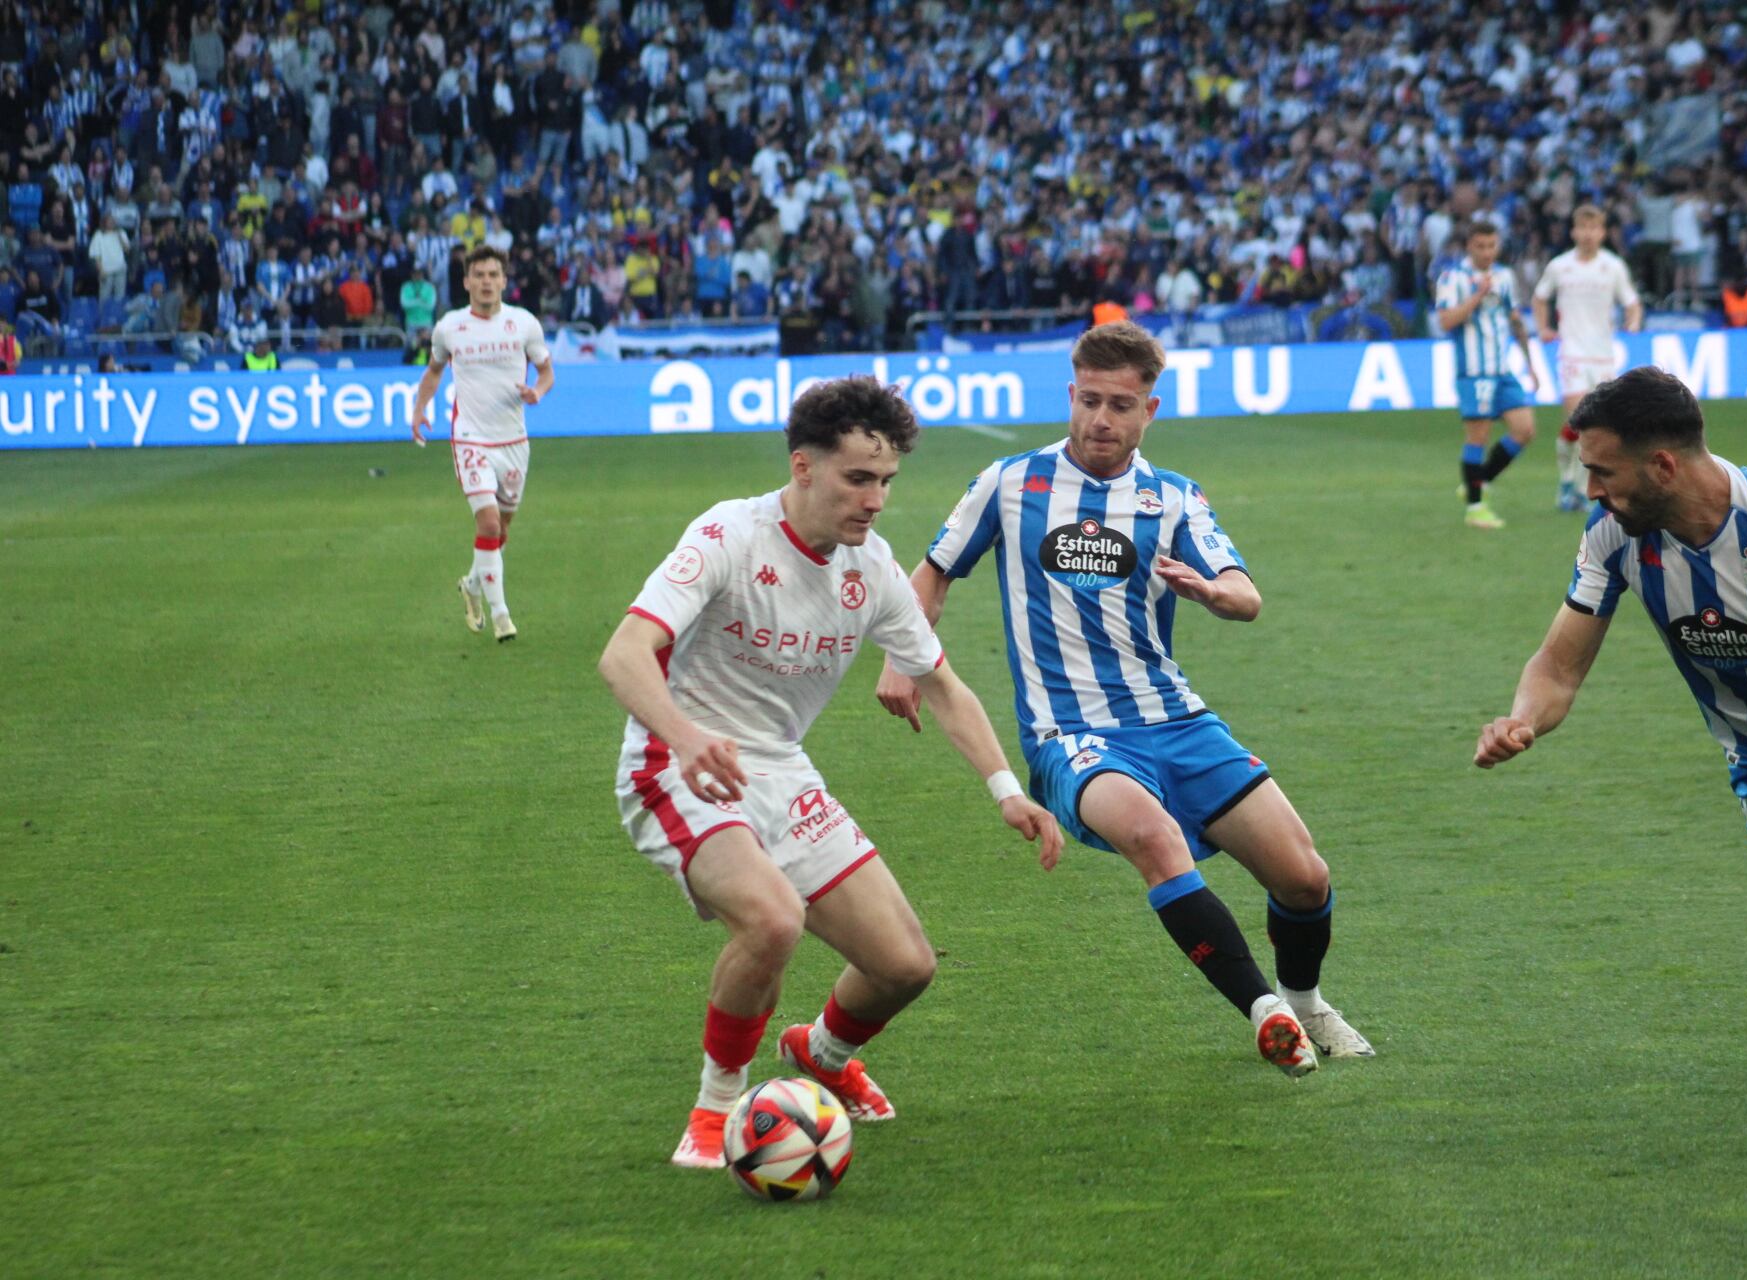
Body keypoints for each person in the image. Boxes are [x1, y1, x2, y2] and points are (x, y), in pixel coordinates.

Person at [875, 322, 1372, 1078]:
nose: (1101, 419)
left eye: (1121, 405)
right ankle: (1261, 1009)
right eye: (1089, 400)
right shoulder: (1010, 483)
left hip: (1174, 717)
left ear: (1150, 411)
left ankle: (1304, 1000)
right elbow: (933, 574)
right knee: (1151, 836)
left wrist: (1212, 592)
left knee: (1305, 877)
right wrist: (901, 659)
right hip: (1069, 733)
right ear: (1070, 396)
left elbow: (1247, 597)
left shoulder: (1172, 498)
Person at [599, 376, 1062, 1169]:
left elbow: (943, 686)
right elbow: (623, 655)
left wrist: (1008, 792)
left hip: (780, 771)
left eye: (886, 481)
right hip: (676, 765)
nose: (876, 500)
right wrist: (681, 737)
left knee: (905, 965)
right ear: (804, 467)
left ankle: (820, 1051)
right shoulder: (728, 536)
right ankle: (717, 1108)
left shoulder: (872, 570)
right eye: (858, 478)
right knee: (773, 919)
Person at [1475, 367, 1747, 1128]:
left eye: (1601, 471)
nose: (1591, 490)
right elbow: (1557, 665)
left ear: (1664, 466)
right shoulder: (1614, 536)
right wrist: (1522, 720)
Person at [409, 245, 556, 643]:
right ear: (466, 282)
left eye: (493, 275)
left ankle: (473, 585)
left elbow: (546, 371)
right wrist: (420, 407)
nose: (487, 282)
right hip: (470, 437)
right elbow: (433, 371)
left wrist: (537, 392)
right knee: (488, 522)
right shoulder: (450, 326)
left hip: (513, 440)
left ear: (504, 281)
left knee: (501, 530)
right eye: (479, 275)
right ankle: (501, 615)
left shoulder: (523, 323)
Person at [1531, 206, 1643, 513]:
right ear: (1574, 232)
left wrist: (1633, 322)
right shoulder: (1560, 266)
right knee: (1579, 420)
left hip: (1603, 358)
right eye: (1583, 227)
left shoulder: (1613, 266)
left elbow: (1632, 303)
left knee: (1599, 427)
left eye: (1595, 228)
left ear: (1603, 232)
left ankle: (1577, 487)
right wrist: (1542, 328)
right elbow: (1539, 297)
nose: (1589, 234)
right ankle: (1571, 484)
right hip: (1572, 355)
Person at [1436, 222, 1538, 530]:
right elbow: (1445, 321)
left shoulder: (1505, 276)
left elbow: (1514, 319)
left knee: (1525, 430)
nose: (1486, 252)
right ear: (1468, 246)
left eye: (1491, 245)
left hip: (1502, 369)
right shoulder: (1452, 278)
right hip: (1474, 371)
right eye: (1480, 246)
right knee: (1477, 436)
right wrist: (1477, 296)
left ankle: (1476, 483)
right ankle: (1476, 509)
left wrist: (1530, 362)